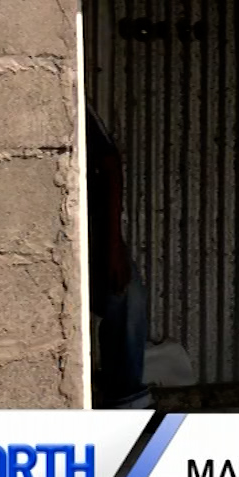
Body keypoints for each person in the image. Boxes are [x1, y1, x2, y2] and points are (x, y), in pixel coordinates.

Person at [87, 105, 151, 409]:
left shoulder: (75, 97)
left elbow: (110, 164)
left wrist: (113, 244)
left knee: (126, 296)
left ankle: (124, 397)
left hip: (92, 228)